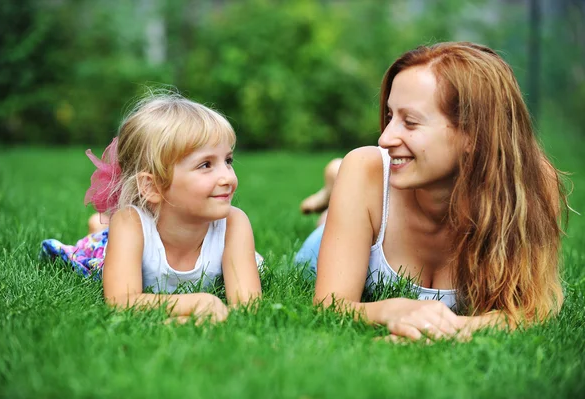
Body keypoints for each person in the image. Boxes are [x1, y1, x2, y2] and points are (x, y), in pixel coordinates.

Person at [296, 42, 568, 341]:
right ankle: (333, 188)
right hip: (338, 234)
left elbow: (530, 311)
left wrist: (448, 329)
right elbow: (330, 306)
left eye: (410, 122)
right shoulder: (364, 169)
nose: (385, 138)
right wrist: (394, 310)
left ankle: (333, 187)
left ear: (473, 135)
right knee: (341, 193)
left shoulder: (531, 185)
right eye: (389, 116)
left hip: (370, 197)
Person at [42, 92, 263, 323]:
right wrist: (200, 303)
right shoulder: (130, 223)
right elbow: (121, 301)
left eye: (228, 161)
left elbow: (248, 307)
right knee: (102, 246)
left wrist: (186, 321)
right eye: (206, 164)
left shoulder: (234, 224)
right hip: (123, 241)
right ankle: (98, 230)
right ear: (152, 186)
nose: (227, 177)